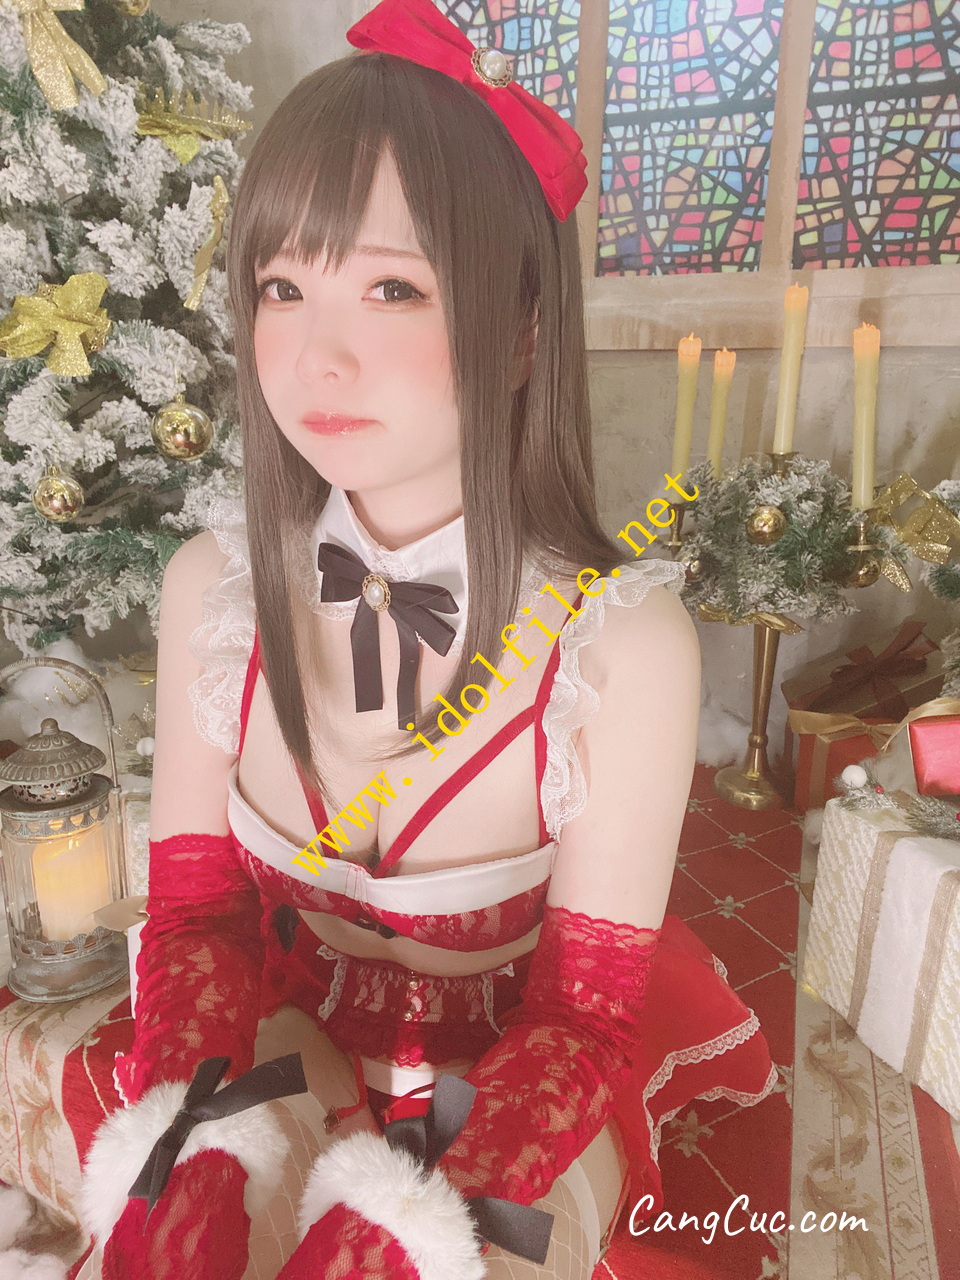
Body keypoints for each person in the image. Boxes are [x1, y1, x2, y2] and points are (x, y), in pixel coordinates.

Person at [73, 2, 775, 1276]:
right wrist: (194, 1152)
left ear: (522, 330)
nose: (317, 357)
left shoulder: (624, 646)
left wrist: (388, 1233)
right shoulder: (213, 590)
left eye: (392, 287)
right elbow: (196, 922)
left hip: (520, 1086)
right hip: (289, 1034)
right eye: (282, 287)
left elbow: (579, 1019)